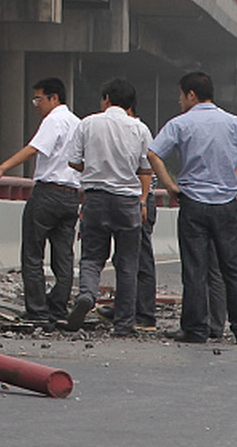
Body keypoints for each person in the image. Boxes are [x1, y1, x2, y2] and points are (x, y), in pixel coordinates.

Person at [146, 70, 237, 345]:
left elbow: (153, 153)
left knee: (195, 268)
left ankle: (196, 329)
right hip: (225, 203)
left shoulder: (180, 123)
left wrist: (169, 185)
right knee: (232, 267)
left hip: (193, 203)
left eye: (181, 95)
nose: (179, 101)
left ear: (191, 95)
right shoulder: (233, 123)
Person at [0, 77, 81, 327]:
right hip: (71, 196)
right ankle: (58, 308)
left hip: (47, 194)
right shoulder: (78, 124)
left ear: (54, 98)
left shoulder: (54, 120)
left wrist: (2, 168)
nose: (36, 104)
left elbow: (33, 148)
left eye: (39, 98)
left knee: (33, 253)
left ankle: (37, 310)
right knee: (64, 256)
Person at [66, 78, 154, 337]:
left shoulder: (88, 123)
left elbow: (74, 162)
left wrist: (94, 167)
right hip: (128, 201)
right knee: (127, 264)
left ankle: (87, 295)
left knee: (92, 257)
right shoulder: (140, 128)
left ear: (106, 99)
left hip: (95, 198)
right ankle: (124, 324)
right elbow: (145, 168)